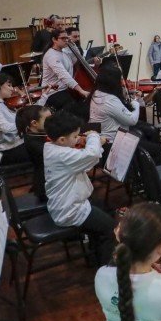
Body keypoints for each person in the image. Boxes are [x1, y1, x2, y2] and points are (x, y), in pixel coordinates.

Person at [44, 111, 113, 264]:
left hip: (68, 203)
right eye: (75, 136)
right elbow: (92, 155)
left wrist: (88, 143)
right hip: (69, 210)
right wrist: (94, 137)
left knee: (104, 210)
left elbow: (88, 159)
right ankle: (107, 271)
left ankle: (95, 257)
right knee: (111, 229)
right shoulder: (62, 155)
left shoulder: (50, 146)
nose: (78, 139)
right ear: (62, 140)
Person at [89, 65, 161, 164]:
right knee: (157, 150)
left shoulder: (97, 93)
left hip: (114, 134)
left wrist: (133, 100)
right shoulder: (110, 100)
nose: (122, 82)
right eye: (119, 79)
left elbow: (124, 110)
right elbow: (132, 120)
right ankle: (155, 176)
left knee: (149, 133)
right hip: (113, 142)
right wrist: (135, 103)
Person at [0, 73, 30, 165]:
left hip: (15, 144)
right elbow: (4, 127)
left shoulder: (0, 103)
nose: (12, 89)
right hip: (8, 150)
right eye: (9, 85)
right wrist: (25, 124)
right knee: (41, 150)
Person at [41, 28, 90, 115]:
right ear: (54, 40)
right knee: (76, 111)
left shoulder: (63, 52)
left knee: (83, 106)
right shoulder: (51, 55)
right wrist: (81, 90)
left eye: (67, 38)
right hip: (53, 92)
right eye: (63, 38)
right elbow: (64, 75)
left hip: (64, 89)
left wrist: (73, 44)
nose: (66, 40)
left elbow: (77, 59)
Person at [16, 104, 52, 201]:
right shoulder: (32, 141)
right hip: (47, 185)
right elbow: (54, 154)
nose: (52, 122)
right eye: (48, 120)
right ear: (34, 123)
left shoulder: (38, 134)